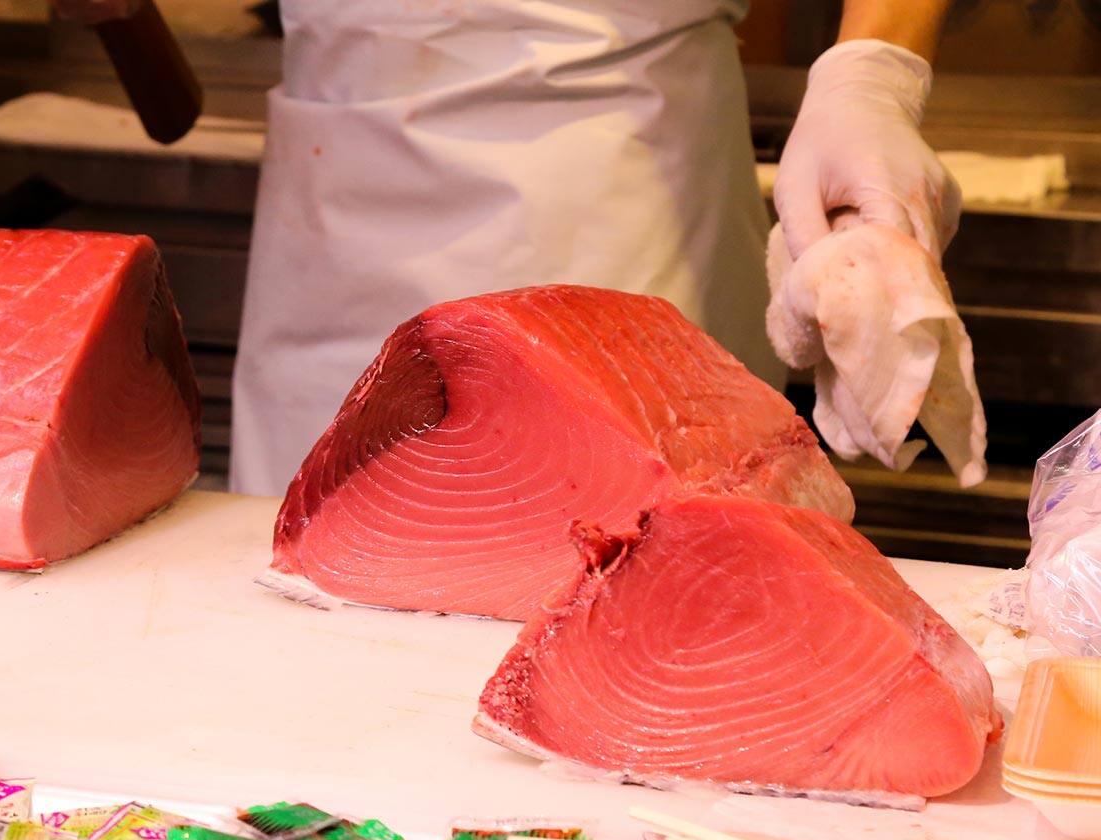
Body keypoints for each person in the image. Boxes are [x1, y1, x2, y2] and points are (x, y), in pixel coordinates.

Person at [54, 0, 961, 496]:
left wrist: (870, 75)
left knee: (635, 613)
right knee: (312, 652)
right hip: (337, 206)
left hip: (624, 183)